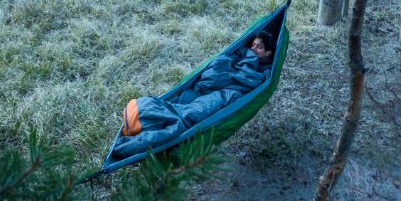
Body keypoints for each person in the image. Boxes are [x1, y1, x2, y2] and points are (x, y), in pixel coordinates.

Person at [111, 29, 277, 160]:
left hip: (222, 95)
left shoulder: (263, 74)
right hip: (201, 91)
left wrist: (245, 63)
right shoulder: (238, 55)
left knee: (185, 119)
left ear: (269, 53)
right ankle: (140, 119)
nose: (253, 48)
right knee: (177, 104)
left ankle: (134, 136)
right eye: (253, 45)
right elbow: (211, 77)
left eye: (259, 47)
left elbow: (243, 84)